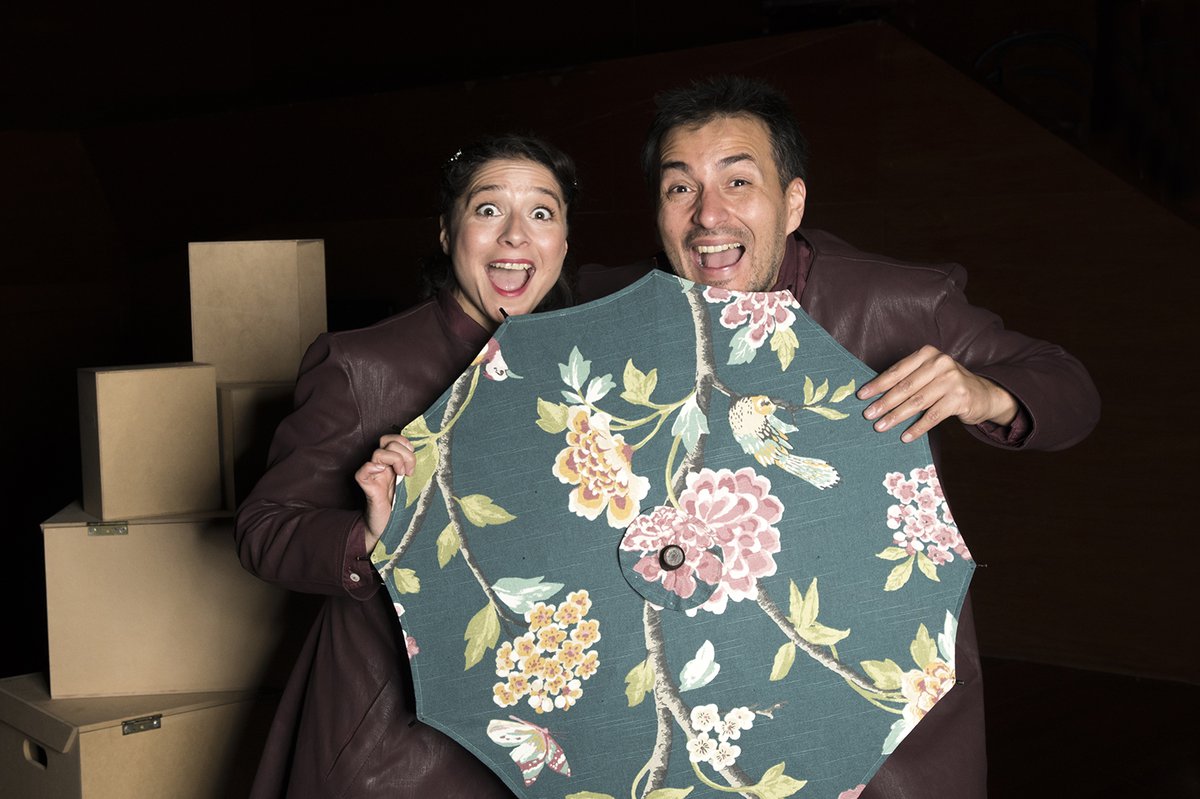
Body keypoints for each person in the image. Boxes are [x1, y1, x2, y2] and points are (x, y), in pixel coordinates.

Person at [578, 74, 1100, 798]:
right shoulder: (606, 305)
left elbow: (1071, 388)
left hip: (883, 696)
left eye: (738, 181)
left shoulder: (898, 300)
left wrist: (985, 391)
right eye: (680, 188)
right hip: (708, 689)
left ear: (793, 202)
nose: (708, 215)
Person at [235, 133, 578, 798]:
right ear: (447, 233)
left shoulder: (581, 370)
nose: (515, 235)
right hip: (397, 751)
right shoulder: (360, 364)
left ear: (562, 244)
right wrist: (366, 536)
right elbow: (261, 527)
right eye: (488, 210)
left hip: (536, 737)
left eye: (541, 212)